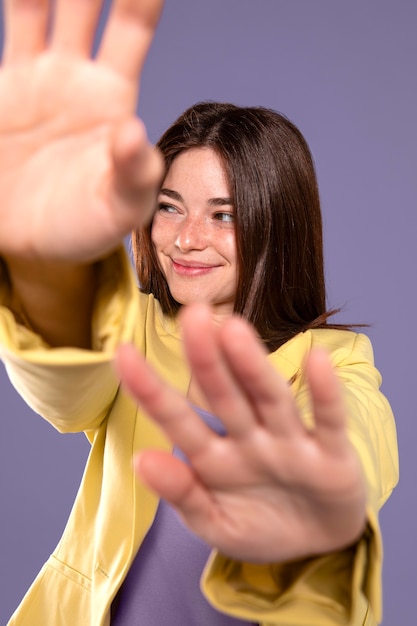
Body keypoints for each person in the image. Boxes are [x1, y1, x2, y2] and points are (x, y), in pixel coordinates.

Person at [0, 1, 398, 626]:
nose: (186, 239)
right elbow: (64, 372)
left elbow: (355, 433)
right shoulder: (128, 328)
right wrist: (49, 261)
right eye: (169, 206)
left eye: (223, 215)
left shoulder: (334, 361)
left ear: (277, 225)